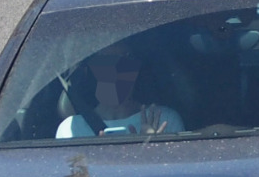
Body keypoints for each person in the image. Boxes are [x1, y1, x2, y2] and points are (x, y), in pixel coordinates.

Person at [56, 40, 185, 137]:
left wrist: (151, 149)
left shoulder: (163, 120)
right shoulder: (69, 130)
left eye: (125, 58)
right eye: (106, 59)